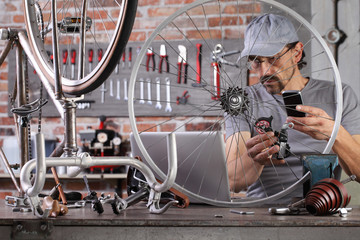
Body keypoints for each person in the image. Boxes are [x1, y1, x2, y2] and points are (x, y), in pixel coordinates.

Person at [225, 13, 360, 204]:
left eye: (273, 59)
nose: (265, 72)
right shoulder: (240, 100)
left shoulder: (339, 94)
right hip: (261, 214)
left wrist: (334, 133)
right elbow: (233, 182)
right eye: (256, 60)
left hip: (321, 209)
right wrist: (256, 158)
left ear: (296, 53)